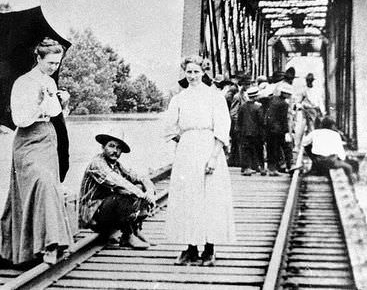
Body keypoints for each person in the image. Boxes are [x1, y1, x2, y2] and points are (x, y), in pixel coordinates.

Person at [0, 38, 73, 265]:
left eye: (57, 63)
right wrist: (38, 103)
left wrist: (64, 103)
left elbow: (55, 114)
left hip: (48, 138)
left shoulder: (50, 82)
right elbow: (19, 119)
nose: (54, 67)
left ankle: (48, 245)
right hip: (28, 140)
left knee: (51, 185)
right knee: (42, 183)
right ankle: (48, 243)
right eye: (50, 63)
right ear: (38, 58)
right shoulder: (23, 83)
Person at [164, 55, 235, 266]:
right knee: (187, 198)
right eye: (189, 72)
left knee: (210, 198)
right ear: (184, 73)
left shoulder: (214, 97)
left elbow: (223, 127)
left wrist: (213, 156)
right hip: (187, 150)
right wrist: (186, 140)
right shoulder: (179, 98)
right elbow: (170, 127)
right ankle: (190, 248)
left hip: (208, 147)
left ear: (203, 73)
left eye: (196, 72)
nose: (192, 76)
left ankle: (210, 249)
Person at [79, 129, 156, 249]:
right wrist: (142, 195)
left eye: (118, 148)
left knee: (139, 186)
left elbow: (140, 177)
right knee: (124, 193)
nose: (115, 151)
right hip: (93, 215)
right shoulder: (97, 164)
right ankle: (127, 236)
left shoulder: (117, 165)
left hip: (107, 211)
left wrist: (150, 192)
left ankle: (135, 230)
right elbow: (118, 182)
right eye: (111, 146)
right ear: (103, 147)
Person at [302, 116, 356, 183]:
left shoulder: (315, 132)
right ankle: (352, 183)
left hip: (318, 160)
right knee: (349, 167)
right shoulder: (336, 134)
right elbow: (341, 153)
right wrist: (341, 160)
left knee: (307, 146)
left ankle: (316, 167)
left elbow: (303, 143)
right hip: (331, 162)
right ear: (332, 125)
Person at [264, 82, 294, 176]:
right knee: (282, 148)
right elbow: (283, 119)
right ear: (285, 93)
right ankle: (288, 166)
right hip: (278, 130)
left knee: (271, 149)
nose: (289, 95)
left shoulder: (272, 99)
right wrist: (287, 132)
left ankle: (271, 168)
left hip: (269, 129)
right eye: (288, 94)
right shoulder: (284, 104)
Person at [237, 86, 264, 176]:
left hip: (244, 132)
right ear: (256, 97)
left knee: (245, 150)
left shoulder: (243, 106)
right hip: (255, 132)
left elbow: (239, 120)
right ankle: (257, 166)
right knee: (256, 150)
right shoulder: (258, 107)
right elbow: (261, 121)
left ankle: (246, 167)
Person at [294, 73, 324, 151]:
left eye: (310, 81)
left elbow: (320, 101)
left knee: (317, 127)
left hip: (316, 110)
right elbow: (298, 101)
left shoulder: (316, 90)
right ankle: (306, 145)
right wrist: (300, 106)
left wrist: (322, 111)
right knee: (308, 127)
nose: (309, 82)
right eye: (308, 81)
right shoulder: (304, 90)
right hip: (307, 111)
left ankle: (315, 144)